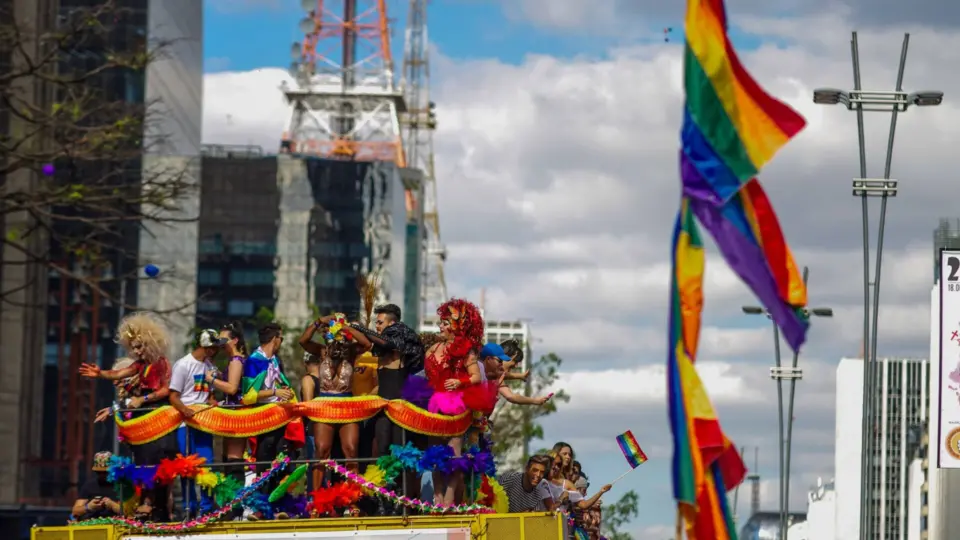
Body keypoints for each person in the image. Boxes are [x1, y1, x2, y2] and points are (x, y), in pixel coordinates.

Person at [79, 312, 176, 521]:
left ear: (151, 343)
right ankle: (146, 503)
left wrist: (144, 399)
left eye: (140, 346)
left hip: (158, 420)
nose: (136, 351)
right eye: (133, 347)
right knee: (141, 464)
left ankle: (156, 506)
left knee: (154, 465)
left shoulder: (161, 363)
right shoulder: (138, 367)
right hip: (141, 425)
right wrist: (100, 374)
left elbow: (166, 390)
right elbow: (118, 374)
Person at [424, 298, 496, 505]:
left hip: (456, 404)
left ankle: (449, 500)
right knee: (434, 454)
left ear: (456, 326)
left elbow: (476, 377)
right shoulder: (432, 349)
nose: (440, 326)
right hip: (435, 404)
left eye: (445, 323)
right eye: (441, 322)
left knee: (455, 455)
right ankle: (437, 499)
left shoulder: (466, 350)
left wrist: (459, 381)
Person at [169, 329, 225, 517]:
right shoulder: (183, 365)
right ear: (206, 347)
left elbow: (209, 395)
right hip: (185, 425)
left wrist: (214, 405)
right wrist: (186, 411)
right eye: (213, 347)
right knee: (187, 467)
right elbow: (174, 396)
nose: (216, 350)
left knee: (207, 465)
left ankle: (207, 508)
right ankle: (189, 507)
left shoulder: (209, 366)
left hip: (204, 423)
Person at [242, 322, 296, 509]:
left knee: (283, 457)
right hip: (264, 417)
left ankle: (279, 502)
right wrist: (275, 392)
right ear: (275, 339)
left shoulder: (275, 360)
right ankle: (262, 505)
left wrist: (285, 391)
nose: (281, 341)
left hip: (281, 415)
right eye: (281, 338)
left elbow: (279, 383)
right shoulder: (253, 361)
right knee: (265, 458)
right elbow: (248, 396)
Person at [204, 321, 248, 518]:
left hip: (237, 413)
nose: (221, 344)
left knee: (234, 460)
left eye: (224, 340)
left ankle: (235, 505)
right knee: (227, 460)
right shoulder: (233, 361)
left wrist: (212, 380)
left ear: (235, 340)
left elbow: (232, 388)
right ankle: (229, 503)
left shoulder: (236, 361)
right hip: (230, 411)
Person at [71, 452, 122, 521]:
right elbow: (75, 511)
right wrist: (89, 507)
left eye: (105, 472)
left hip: (115, 524)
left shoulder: (121, 486)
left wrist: (113, 505)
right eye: (99, 472)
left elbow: (128, 512)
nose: (102, 475)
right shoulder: (89, 485)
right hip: (90, 524)